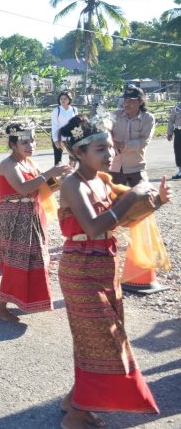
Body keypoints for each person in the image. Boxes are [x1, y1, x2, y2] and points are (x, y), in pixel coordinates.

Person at [57, 114, 171, 428]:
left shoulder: (102, 180)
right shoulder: (72, 184)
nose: (109, 153)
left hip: (105, 266)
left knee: (95, 339)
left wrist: (155, 203)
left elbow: (120, 221)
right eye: (99, 149)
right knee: (104, 339)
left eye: (109, 147)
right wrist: (132, 196)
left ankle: (74, 400)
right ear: (79, 154)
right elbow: (94, 227)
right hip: (80, 270)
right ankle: (76, 415)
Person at [0, 123, 71, 322]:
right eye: (24, 142)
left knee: (34, 259)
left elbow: (42, 189)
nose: (30, 145)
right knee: (15, 262)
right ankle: (0, 307)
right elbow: (24, 188)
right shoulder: (8, 164)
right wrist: (51, 172)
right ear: (13, 144)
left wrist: (62, 179)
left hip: (30, 214)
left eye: (33, 140)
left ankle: (22, 301)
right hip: (13, 217)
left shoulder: (28, 163)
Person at [110, 86, 155, 187]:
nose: (126, 104)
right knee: (114, 200)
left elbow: (143, 141)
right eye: (125, 100)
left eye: (131, 101)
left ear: (140, 102)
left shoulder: (147, 118)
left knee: (142, 198)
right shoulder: (114, 116)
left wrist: (121, 145)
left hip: (136, 167)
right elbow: (104, 132)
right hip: (115, 167)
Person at [50, 90, 78, 165]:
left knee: (73, 159)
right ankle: (56, 176)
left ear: (69, 99)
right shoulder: (57, 110)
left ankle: (69, 175)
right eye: (61, 98)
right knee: (58, 161)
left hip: (70, 138)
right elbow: (54, 126)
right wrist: (56, 141)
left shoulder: (74, 110)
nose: (63, 100)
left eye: (65, 98)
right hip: (59, 137)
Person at [168, 101, 181, 179]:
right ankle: (180, 171)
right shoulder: (177, 108)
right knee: (178, 151)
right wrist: (169, 133)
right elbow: (171, 120)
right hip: (179, 132)